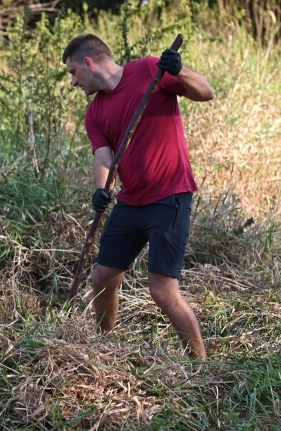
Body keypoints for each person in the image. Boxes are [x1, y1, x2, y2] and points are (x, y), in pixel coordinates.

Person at [62, 33, 214, 358]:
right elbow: (103, 157)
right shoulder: (95, 112)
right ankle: (106, 349)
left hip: (169, 197)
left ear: (89, 63)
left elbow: (206, 92)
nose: (73, 82)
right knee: (102, 277)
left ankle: (201, 363)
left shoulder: (149, 71)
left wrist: (180, 70)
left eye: (73, 72)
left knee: (162, 290)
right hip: (130, 202)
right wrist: (101, 191)